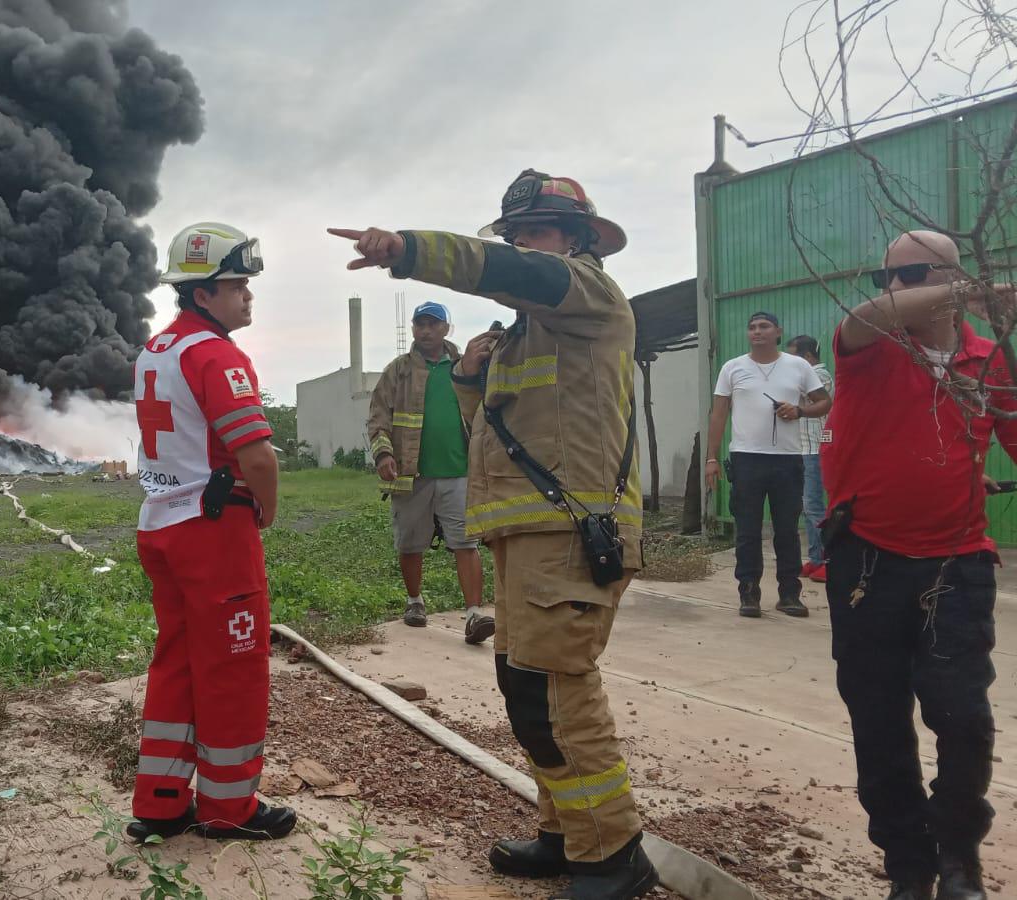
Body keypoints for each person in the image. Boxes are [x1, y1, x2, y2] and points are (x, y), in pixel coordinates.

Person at [331, 169, 657, 900]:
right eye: (513, 232)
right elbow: (495, 434)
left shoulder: (590, 296)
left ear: (574, 239)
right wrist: (474, 381)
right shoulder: (523, 335)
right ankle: (566, 835)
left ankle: (613, 856)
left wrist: (408, 249)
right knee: (526, 689)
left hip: (570, 529)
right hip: (523, 534)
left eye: (533, 231)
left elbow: (506, 272)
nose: (517, 244)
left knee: (558, 691)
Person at [822, 230, 1008, 900]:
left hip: (958, 564)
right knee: (878, 720)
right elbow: (863, 318)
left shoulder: (991, 359)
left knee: (962, 716)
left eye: (916, 274)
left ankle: (960, 856)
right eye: (889, 275)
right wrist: (974, 290)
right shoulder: (872, 346)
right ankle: (909, 866)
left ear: (951, 277)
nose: (896, 288)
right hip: (867, 561)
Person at [127, 222, 294, 844]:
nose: (247, 295)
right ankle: (229, 809)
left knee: (177, 660)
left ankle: (162, 802)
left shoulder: (155, 349)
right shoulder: (215, 354)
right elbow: (258, 456)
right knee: (233, 668)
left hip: (162, 524)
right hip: (214, 528)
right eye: (235, 285)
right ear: (202, 295)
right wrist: (268, 511)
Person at [366, 300, 494, 643]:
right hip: (412, 475)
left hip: (459, 471)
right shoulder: (398, 371)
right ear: (413, 328)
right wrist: (383, 456)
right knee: (411, 543)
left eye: (432, 324)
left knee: (466, 543)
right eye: (419, 324)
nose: (425, 330)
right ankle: (414, 601)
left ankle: (474, 614)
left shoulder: (465, 367)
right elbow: (378, 418)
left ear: (445, 329)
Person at [704, 313, 831, 618]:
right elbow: (719, 414)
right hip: (746, 459)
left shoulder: (798, 366)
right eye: (752, 327)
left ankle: (789, 594)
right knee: (747, 531)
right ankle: (749, 592)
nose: (757, 331)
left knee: (786, 530)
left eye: (764, 327)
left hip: (787, 461)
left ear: (778, 331)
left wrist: (799, 411)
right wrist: (711, 458)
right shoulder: (732, 368)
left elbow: (825, 402)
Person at [784, 334, 833, 582]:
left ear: (808, 358)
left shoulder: (820, 376)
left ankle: (827, 560)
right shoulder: (803, 376)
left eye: (793, 357)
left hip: (816, 449)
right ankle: (815, 559)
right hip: (802, 449)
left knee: (815, 507)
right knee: (808, 507)